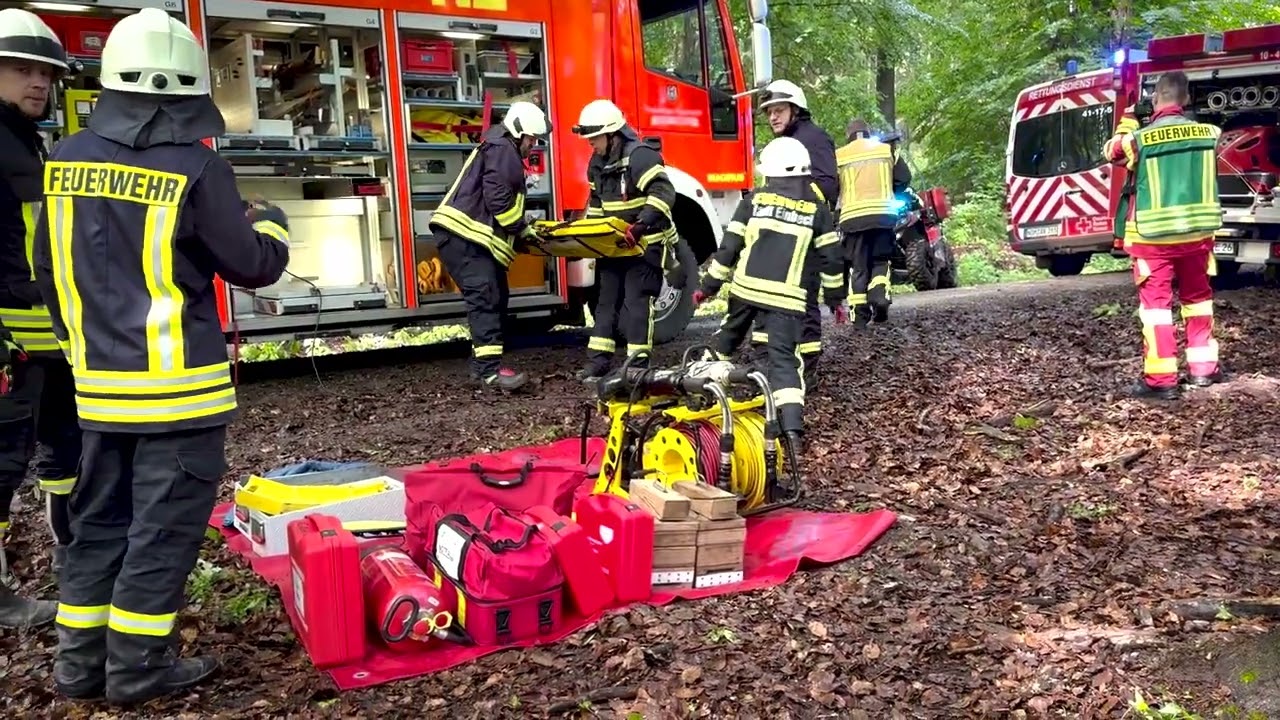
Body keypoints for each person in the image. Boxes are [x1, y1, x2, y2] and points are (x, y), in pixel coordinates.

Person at [32, 9, 290, 703]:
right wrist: (273, 232)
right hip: (179, 395)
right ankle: (140, 670)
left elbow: (47, 269)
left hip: (96, 391)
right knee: (163, 531)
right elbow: (248, 264)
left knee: (97, 526)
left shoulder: (63, 161)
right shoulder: (197, 166)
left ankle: (79, 667)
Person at [691, 137, 845, 454]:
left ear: (770, 172)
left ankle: (700, 395)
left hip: (744, 291)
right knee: (784, 362)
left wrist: (707, 288)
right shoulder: (818, 211)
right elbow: (831, 260)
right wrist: (835, 301)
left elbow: (729, 250)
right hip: (786, 300)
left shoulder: (753, 202)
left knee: (725, 344)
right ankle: (792, 432)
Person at [0, 7, 73, 629]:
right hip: (7, 336)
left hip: (43, 334)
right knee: (2, 460)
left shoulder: (27, 138)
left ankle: (73, 554)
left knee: (62, 447)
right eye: (22, 70)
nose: (38, 84)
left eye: (46, 74)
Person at [1102, 71, 1222, 400]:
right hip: (1197, 237)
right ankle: (1203, 371)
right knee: (1198, 302)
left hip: (1153, 240)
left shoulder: (1139, 139)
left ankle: (1162, 379)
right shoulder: (1210, 134)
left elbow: (1111, 151)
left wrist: (1129, 119)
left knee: (1156, 310)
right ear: (1185, 100)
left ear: (1155, 99)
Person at [429, 101, 549, 392]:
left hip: (467, 240)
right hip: (465, 239)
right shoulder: (503, 150)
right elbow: (498, 202)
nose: (533, 145)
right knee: (486, 298)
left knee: (496, 297)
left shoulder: (497, 147)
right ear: (519, 133)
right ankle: (490, 374)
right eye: (532, 139)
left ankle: (481, 368)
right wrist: (522, 228)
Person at [573, 98, 677, 382]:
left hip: (645, 244)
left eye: (595, 139)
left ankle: (637, 364)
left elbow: (664, 194)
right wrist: (585, 236)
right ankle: (598, 362)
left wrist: (640, 225)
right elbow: (596, 204)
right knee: (605, 302)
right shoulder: (597, 162)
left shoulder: (641, 156)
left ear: (612, 134)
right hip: (614, 247)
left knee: (636, 302)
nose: (591, 144)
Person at [750, 80, 839, 380]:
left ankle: (809, 367)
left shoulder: (813, 138)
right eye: (770, 112)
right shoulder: (779, 145)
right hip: (776, 234)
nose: (773, 117)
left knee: (805, 297)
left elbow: (827, 184)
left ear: (796, 110)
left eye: (779, 110)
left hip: (805, 233)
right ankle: (772, 366)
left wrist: (793, 205)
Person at [838, 120, 898, 329]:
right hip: (883, 217)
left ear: (849, 135)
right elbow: (903, 178)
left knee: (858, 267)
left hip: (853, 220)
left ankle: (860, 318)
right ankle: (880, 297)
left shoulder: (840, 155)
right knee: (880, 261)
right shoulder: (885, 150)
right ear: (868, 132)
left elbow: (832, 187)